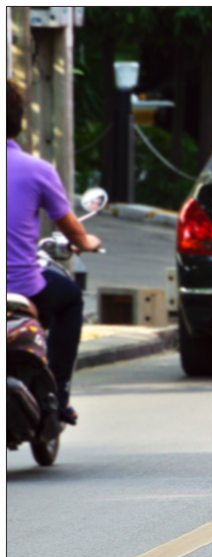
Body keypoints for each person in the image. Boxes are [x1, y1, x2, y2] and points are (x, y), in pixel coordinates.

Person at [7, 78, 101, 425]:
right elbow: (73, 231)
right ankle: (58, 394)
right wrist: (87, 242)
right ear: (18, 120)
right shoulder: (37, 170)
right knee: (71, 298)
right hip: (21, 289)